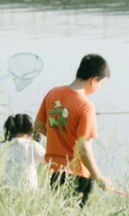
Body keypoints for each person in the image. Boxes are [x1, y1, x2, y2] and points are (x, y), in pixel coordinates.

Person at [34, 53, 116, 206]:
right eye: (100, 83)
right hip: (77, 174)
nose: (99, 88)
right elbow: (84, 148)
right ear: (93, 80)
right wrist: (99, 177)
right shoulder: (86, 107)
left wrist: (57, 135)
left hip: (54, 171)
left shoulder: (53, 94)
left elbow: (38, 127)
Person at [0, 113, 44, 192]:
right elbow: (50, 159)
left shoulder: (4, 146)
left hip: (8, 190)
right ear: (30, 131)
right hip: (29, 190)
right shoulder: (33, 146)